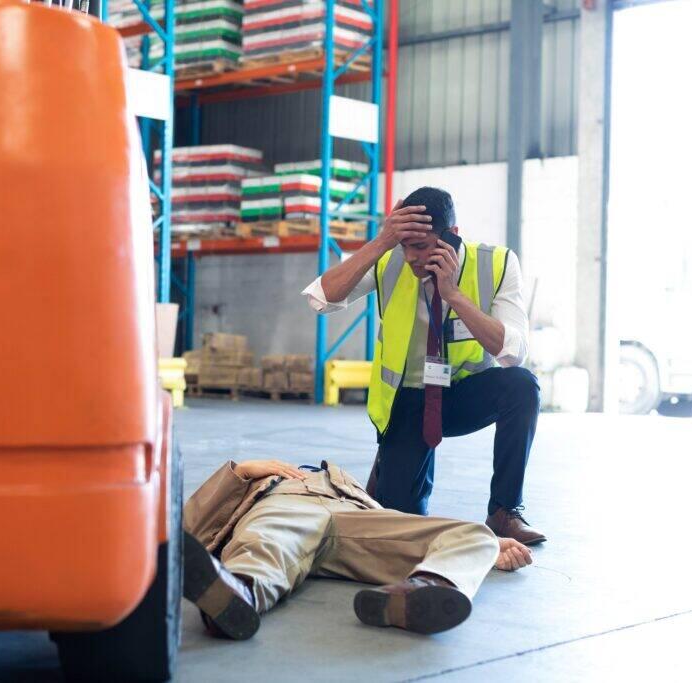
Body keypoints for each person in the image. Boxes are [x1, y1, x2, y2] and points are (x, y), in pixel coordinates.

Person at [301, 186, 545, 545]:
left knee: (523, 386)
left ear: (452, 237)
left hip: (464, 396)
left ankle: (504, 511)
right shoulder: (389, 260)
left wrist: (454, 296)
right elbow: (320, 299)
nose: (412, 257)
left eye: (422, 246)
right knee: (400, 528)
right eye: (406, 246)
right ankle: (390, 463)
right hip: (408, 405)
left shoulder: (497, 264)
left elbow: (512, 352)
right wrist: (382, 242)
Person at [183, 459, 532, 640]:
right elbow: (190, 527)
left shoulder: (347, 484)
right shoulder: (266, 483)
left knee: (474, 533)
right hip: (285, 508)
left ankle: (427, 586)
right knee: (264, 544)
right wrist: (241, 470)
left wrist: (484, 551)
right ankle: (236, 596)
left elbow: (402, 528)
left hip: (355, 518)